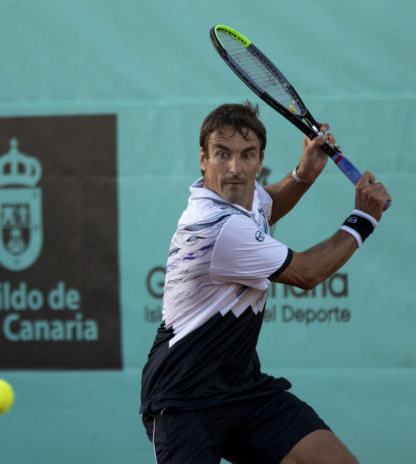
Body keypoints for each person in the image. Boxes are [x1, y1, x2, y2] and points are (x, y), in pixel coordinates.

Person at [140, 102, 391, 464]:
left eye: (246, 156)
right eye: (222, 154)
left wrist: (304, 174)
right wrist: (363, 219)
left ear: (259, 161)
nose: (234, 169)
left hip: (242, 389)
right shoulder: (217, 227)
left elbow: (266, 201)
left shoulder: (245, 196)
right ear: (202, 159)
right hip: (184, 398)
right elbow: (306, 273)